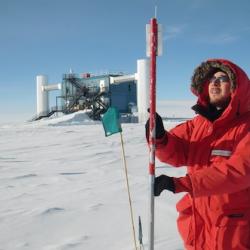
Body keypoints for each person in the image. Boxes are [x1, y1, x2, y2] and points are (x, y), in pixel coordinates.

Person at [145, 59, 250, 250]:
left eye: (222, 78)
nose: (214, 82)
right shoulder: (198, 124)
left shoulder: (246, 126)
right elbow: (176, 152)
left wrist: (183, 183)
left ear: (237, 86)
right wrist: (160, 138)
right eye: (210, 78)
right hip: (198, 227)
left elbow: (240, 170)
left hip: (233, 233)